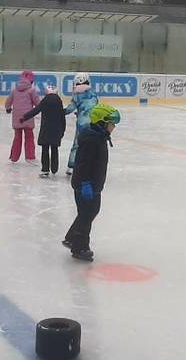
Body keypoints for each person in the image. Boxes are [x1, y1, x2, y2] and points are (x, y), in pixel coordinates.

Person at [65, 103, 120, 262]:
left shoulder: (99, 136)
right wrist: (85, 184)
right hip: (85, 185)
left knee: (89, 213)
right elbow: (83, 164)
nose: (113, 127)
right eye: (112, 124)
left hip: (93, 184)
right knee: (87, 215)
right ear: (102, 122)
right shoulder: (92, 140)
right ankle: (80, 248)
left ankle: (71, 238)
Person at [22, 84, 66, 178]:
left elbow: (36, 110)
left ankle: (45, 169)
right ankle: (54, 168)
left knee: (45, 149)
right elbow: (62, 118)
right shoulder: (59, 102)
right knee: (54, 149)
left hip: (46, 129)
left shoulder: (45, 101)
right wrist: (62, 130)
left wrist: (24, 117)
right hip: (56, 130)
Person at [65, 73, 100, 176]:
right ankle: (90, 165)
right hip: (94, 122)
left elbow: (70, 108)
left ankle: (72, 166)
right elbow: (95, 107)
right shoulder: (93, 93)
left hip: (82, 123)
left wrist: (61, 112)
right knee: (91, 144)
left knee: (77, 143)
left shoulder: (77, 94)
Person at [4, 70, 40, 163]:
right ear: (31, 80)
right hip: (27, 117)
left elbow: (8, 101)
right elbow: (37, 103)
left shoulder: (15, 90)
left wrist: (8, 108)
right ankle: (30, 157)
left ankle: (14, 157)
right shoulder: (32, 90)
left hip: (17, 118)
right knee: (29, 137)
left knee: (17, 137)